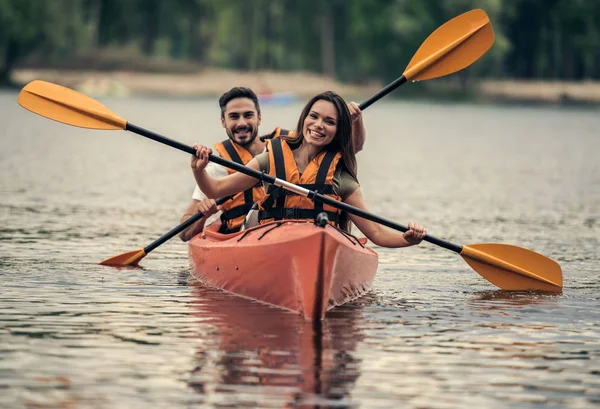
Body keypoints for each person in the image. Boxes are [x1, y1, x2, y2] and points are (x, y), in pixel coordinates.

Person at [189, 91, 427, 248]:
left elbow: (375, 233)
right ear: (304, 118)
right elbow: (216, 188)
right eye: (314, 116)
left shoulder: (340, 177)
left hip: (319, 244)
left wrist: (408, 239)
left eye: (329, 121)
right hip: (270, 243)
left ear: (338, 130)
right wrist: (199, 170)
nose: (318, 125)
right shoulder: (270, 160)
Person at [178, 87, 367, 241]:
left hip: (299, 233)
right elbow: (185, 233)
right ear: (223, 121)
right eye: (234, 117)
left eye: (248, 115)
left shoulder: (293, 145)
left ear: (259, 118)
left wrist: (355, 121)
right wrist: (202, 215)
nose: (242, 123)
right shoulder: (215, 167)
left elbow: (351, 148)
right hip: (243, 239)